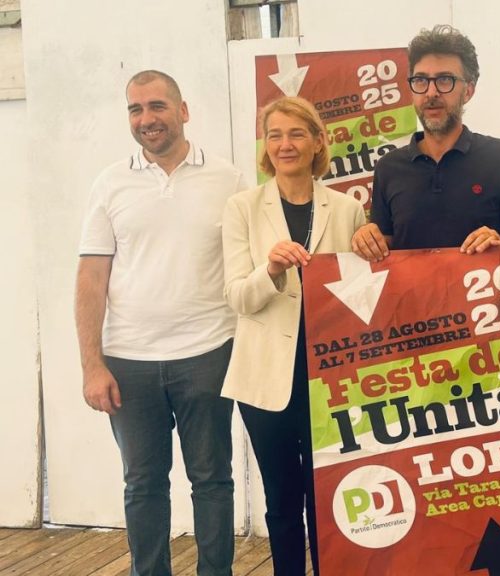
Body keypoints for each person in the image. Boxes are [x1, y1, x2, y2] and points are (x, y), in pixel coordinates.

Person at [76, 70, 243, 576]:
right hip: (129, 362)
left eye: (157, 106)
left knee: (212, 481)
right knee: (143, 484)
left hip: (208, 353)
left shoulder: (229, 180)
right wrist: (92, 366)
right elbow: (91, 277)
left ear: (183, 110)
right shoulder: (110, 183)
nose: (146, 118)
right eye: (135, 109)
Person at [221, 96, 365, 576]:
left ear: (319, 141)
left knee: (328, 495)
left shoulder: (347, 209)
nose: (285, 144)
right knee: (282, 499)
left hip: (331, 378)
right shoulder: (242, 208)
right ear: (266, 145)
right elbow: (237, 297)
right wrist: (272, 269)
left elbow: (362, 294)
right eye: (275, 135)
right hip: (264, 380)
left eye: (297, 134)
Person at [351, 24, 500, 260]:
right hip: (411, 286)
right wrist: (365, 239)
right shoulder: (388, 167)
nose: (431, 92)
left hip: (481, 285)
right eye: (421, 80)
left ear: (468, 91)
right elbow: (383, 247)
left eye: (445, 80)